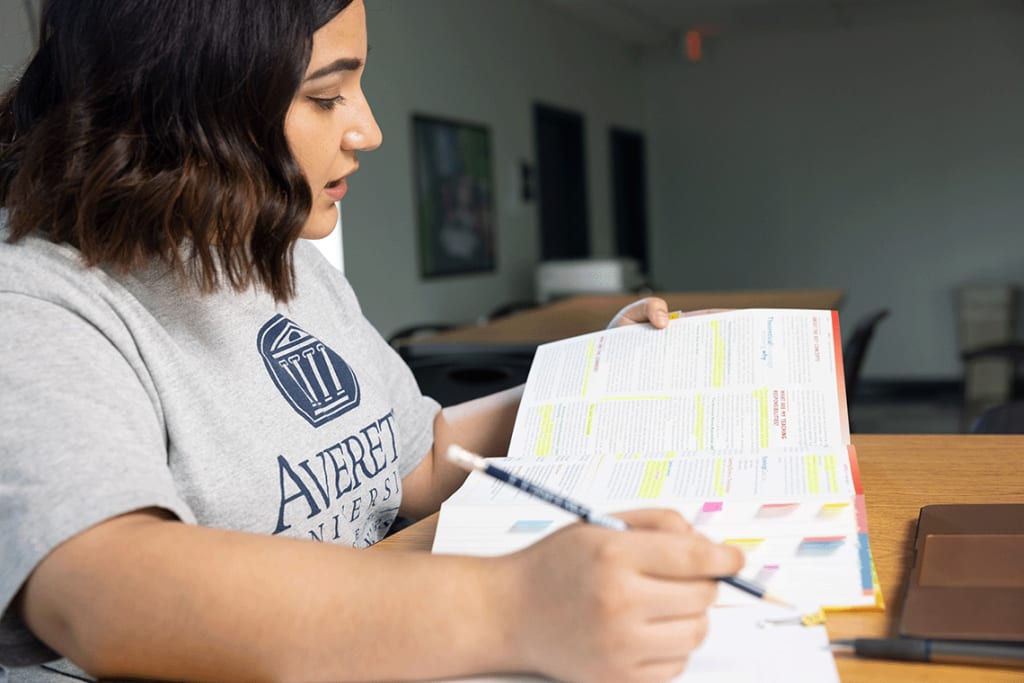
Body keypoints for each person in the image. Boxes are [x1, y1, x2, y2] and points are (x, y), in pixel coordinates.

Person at [0, 1, 743, 681]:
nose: (368, 130)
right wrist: (512, 606)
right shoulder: (34, 297)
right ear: (185, 103)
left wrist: (591, 377)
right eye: (327, 95)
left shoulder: (282, 259)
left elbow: (418, 460)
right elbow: (104, 590)